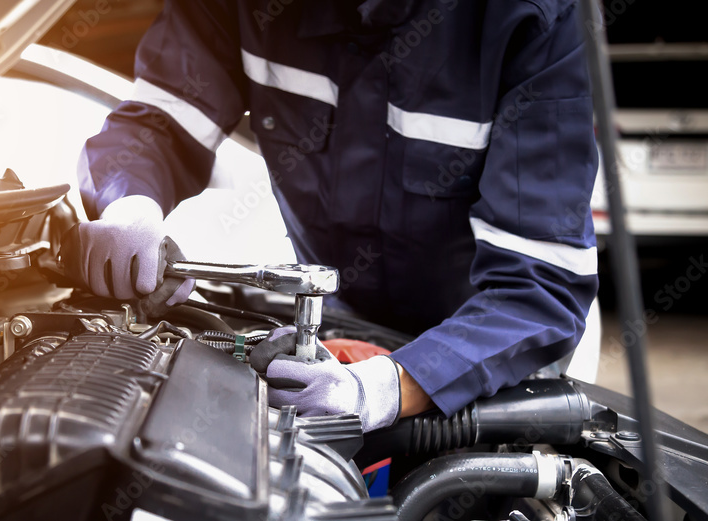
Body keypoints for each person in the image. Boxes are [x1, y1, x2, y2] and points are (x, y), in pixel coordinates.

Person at [63, 0, 599, 432]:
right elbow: (158, 123)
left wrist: (386, 388)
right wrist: (129, 204)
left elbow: (537, 290)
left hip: (487, 355)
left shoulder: (532, 17)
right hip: (332, 338)